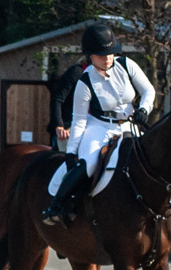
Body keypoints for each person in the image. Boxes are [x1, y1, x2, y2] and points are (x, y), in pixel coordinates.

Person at [40, 22, 155, 226]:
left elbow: (148, 91)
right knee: (91, 162)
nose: (108, 57)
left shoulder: (127, 65)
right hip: (100, 127)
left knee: (150, 159)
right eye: (102, 54)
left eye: (110, 52)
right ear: (90, 55)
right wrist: (71, 152)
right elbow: (79, 120)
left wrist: (144, 109)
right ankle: (57, 205)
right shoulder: (84, 82)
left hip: (129, 125)